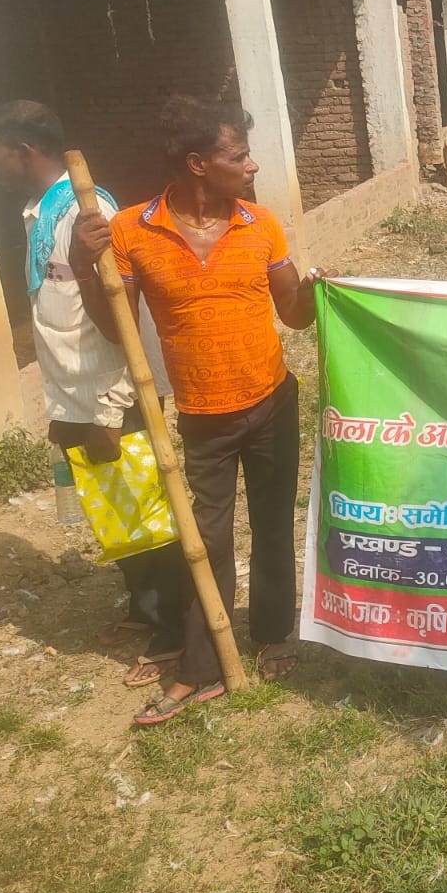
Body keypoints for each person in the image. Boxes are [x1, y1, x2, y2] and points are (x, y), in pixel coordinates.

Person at [71, 95, 323, 726]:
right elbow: (117, 328)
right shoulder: (131, 231)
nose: (252, 165)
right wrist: (83, 267)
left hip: (272, 400)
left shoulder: (261, 224)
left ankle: (273, 634)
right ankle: (202, 663)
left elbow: (294, 316)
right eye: (239, 155)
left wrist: (316, 292)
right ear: (198, 163)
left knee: (272, 525)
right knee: (205, 539)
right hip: (202, 418)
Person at [0, 100, 188, 689]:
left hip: (107, 396)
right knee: (110, 506)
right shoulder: (40, 211)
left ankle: (174, 629)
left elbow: (122, 321)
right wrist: (65, 405)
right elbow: (58, 311)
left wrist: (109, 410)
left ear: (24, 151)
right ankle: (144, 608)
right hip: (73, 391)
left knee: (144, 510)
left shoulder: (86, 213)